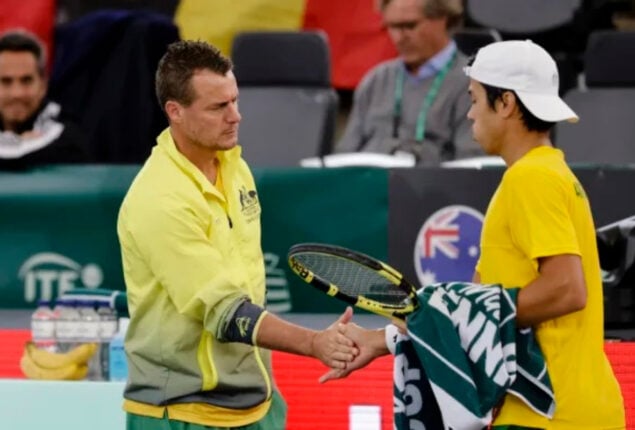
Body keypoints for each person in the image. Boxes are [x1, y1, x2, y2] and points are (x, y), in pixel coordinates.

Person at [324, 40, 626, 429]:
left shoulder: (531, 178)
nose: (469, 114)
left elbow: (567, 289)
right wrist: (382, 339)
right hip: (560, 411)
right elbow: (469, 312)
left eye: (475, 99)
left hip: (548, 417)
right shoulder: (545, 175)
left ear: (507, 104)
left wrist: (475, 312)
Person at [116, 40, 358, 430]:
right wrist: (314, 344)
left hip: (257, 403)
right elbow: (225, 312)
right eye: (218, 107)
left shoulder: (235, 166)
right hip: (183, 413)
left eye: (235, 101)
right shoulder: (159, 199)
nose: (236, 116)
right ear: (175, 112)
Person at [335, 0, 482, 165]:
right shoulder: (375, 80)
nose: (399, 37)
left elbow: (469, 164)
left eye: (409, 26)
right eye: (392, 27)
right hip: (369, 185)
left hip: (430, 186)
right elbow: (344, 156)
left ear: (442, 18)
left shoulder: (471, 84)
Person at [0, 30, 86, 169]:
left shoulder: (67, 130)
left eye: (26, 81)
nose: (17, 93)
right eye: (5, 81)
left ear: (43, 85)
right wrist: (22, 143)